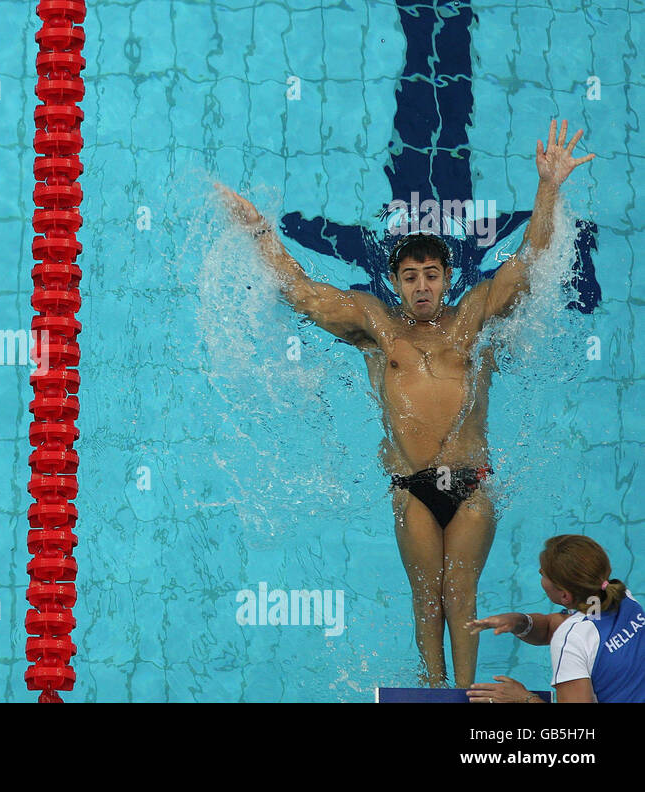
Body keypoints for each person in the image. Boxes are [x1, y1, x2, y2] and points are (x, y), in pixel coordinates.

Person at [218, 119, 595, 687]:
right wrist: (258, 234)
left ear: (448, 279)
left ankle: (468, 693)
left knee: (459, 588)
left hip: (472, 480)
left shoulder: (471, 320)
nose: (422, 286)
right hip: (411, 484)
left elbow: (529, 260)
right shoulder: (376, 326)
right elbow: (301, 293)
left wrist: (548, 188)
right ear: (395, 282)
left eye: (432, 275)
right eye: (411, 276)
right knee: (426, 597)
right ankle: (433, 689)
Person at [465, 535, 644, 703]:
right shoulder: (622, 597)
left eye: (542, 573)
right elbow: (554, 628)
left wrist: (523, 698)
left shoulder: (571, 639)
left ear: (565, 596)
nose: (540, 575)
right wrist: (518, 621)